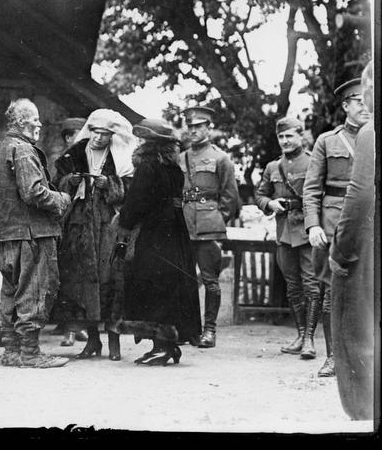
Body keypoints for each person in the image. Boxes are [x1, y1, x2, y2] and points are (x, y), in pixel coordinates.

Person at [0, 98, 72, 368]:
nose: (39, 124)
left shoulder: (1, 148)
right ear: (23, 122)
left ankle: (11, 350)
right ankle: (31, 353)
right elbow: (33, 191)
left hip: (7, 235)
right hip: (31, 234)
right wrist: (62, 199)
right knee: (34, 291)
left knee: (11, 293)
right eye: (35, 119)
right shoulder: (23, 149)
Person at [115, 118, 202, 365]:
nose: (139, 143)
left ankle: (162, 346)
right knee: (170, 286)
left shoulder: (148, 166)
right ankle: (169, 345)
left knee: (153, 286)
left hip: (153, 234)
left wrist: (125, 222)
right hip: (175, 233)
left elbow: (136, 202)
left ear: (149, 144)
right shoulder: (173, 168)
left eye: (142, 139)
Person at [52, 109, 136, 361]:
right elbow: (57, 184)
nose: (99, 139)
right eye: (96, 133)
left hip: (107, 226)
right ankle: (92, 340)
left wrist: (110, 186)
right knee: (81, 282)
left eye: (106, 134)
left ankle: (114, 342)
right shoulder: (75, 153)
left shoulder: (119, 158)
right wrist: (71, 180)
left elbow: (130, 191)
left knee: (110, 279)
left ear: (112, 136)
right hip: (79, 226)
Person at [303, 77, 372, 377]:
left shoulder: (375, 137)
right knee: (334, 294)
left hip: (370, 227)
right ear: (345, 105)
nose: (365, 106)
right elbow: (311, 189)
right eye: (359, 100)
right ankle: (334, 357)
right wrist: (312, 225)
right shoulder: (327, 141)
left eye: (368, 99)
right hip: (335, 227)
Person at [330, 60, 376, 420]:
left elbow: (359, 196)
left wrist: (340, 252)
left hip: (369, 249)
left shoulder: (370, 132)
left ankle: (364, 414)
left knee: (356, 334)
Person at [254, 117, 319, 357]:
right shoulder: (273, 167)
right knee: (292, 287)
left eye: (289, 136)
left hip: (307, 230)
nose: (285, 141)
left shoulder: (314, 162)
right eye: (281, 137)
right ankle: (300, 335)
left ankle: (310, 339)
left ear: (301, 136)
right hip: (284, 234)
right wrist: (270, 203)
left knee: (311, 285)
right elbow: (260, 195)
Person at [179, 106, 240, 348]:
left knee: (210, 280)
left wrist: (216, 219)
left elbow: (230, 197)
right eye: (190, 127)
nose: (193, 131)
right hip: (183, 225)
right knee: (184, 280)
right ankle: (187, 330)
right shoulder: (180, 157)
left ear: (208, 128)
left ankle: (209, 330)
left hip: (208, 227)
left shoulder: (220, 158)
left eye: (198, 126)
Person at [51, 117, 88, 346]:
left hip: (85, 222)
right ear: (68, 137)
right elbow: (54, 188)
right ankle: (68, 327)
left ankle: (81, 325)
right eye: (77, 134)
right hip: (66, 223)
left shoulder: (89, 157)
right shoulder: (63, 161)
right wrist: (68, 181)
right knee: (67, 275)